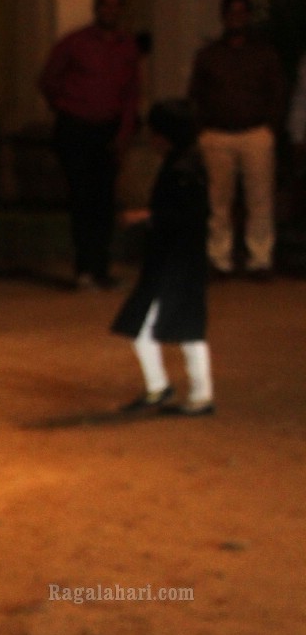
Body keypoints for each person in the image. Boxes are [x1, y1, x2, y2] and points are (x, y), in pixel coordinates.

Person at [112, 99, 213, 417]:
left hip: (175, 264)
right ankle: (186, 392)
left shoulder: (182, 168)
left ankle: (192, 394)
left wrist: (146, 215)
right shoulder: (186, 162)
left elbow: (187, 215)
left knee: (168, 330)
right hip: (180, 262)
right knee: (181, 329)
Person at [39, 0, 141, 289]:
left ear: (121, 9)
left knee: (105, 199)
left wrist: (124, 133)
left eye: (116, 5)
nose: (110, 10)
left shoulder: (127, 47)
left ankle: (101, 267)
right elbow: (48, 79)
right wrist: (66, 106)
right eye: (105, 4)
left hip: (108, 130)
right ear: (97, 7)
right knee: (83, 198)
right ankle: (84, 267)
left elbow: (131, 94)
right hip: (77, 128)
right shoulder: (75, 42)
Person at [188, 0, 285, 277]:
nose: (236, 18)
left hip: (255, 132)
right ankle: (219, 258)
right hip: (217, 134)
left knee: (260, 199)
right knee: (219, 201)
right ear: (223, 17)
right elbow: (196, 94)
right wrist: (201, 130)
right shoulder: (209, 55)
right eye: (232, 12)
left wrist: (271, 127)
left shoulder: (264, 54)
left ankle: (260, 258)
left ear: (248, 16)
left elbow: (278, 92)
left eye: (242, 12)